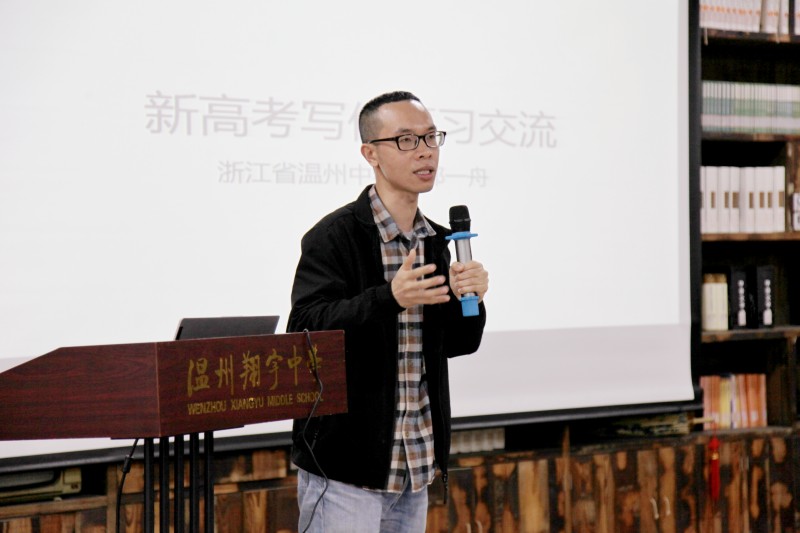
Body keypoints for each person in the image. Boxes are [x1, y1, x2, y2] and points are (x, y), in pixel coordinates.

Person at [287, 90, 489, 533]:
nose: (425, 151)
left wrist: (471, 301)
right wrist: (388, 298)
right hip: (344, 472)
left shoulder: (437, 241)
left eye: (431, 137)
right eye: (406, 140)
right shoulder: (334, 237)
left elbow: (458, 344)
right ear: (370, 154)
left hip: (415, 464)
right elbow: (304, 332)